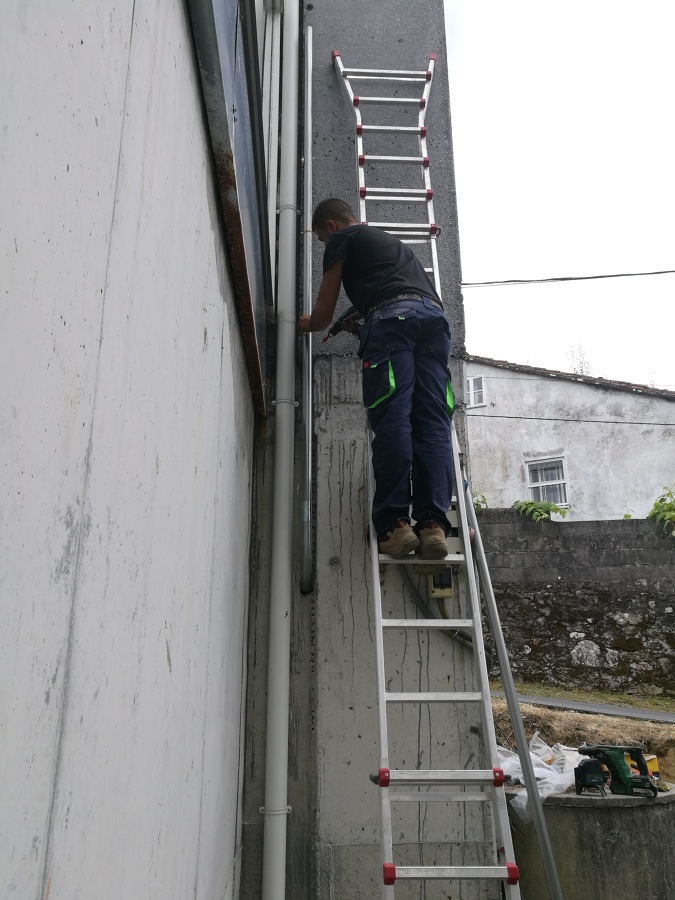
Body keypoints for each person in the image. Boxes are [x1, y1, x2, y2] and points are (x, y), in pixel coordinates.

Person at [298, 198, 454, 560]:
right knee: (431, 422)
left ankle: (394, 527)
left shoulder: (343, 239)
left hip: (392, 321)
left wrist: (297, 322)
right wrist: (363, 316)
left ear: (331, 227)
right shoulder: (389, 243)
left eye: (322, 239)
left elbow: (321, 317)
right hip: (433, 323)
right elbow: (404, 298)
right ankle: (433, 526)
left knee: (392, 419)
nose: (326, 245)